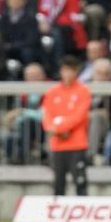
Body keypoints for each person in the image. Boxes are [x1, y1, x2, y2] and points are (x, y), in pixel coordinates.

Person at [42, 56, 91, 196]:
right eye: (65, 70)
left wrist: (58, 128)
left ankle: (83, 212)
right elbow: (47, 115)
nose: (67, 74)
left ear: (76, 72)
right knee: (58, 183)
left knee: (80, 181)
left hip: (77, 144)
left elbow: (79, 116)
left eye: (71, 70)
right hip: (57, 144)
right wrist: (54, 129)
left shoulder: (83, 91)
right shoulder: (52, 92)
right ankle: (57, 215)